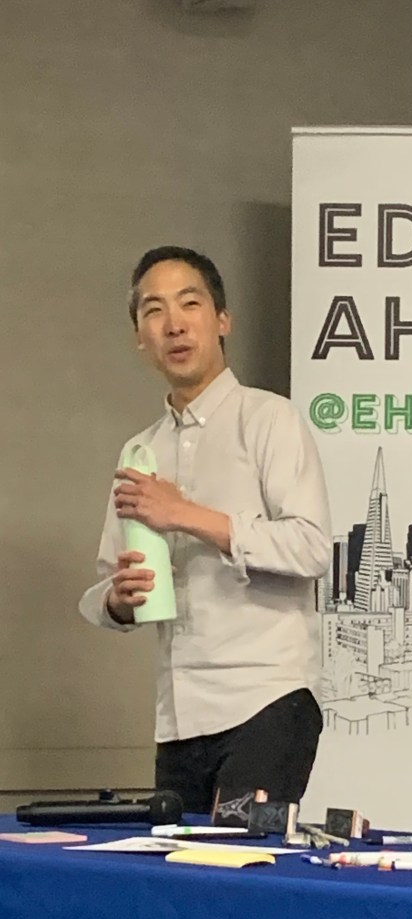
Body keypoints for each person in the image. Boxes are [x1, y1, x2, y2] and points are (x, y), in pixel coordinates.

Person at [79, 246, 331, 816]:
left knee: (236, 860)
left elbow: (312, 547)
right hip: (178, 717)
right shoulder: (141, 450)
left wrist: (186, 513)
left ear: (222, 320)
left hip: (266, 701)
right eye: (154, 310)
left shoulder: (270, 419)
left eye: (189, 303)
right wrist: (119, 601)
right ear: (139, 337)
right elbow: (107, 588)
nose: (173, 323)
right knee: (178, 867)